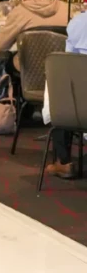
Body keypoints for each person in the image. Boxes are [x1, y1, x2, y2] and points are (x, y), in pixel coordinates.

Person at [0, 0, 67, 70]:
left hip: (29, 67)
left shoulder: (20, 11)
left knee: (6, 60)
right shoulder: (66, 8)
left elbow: (0, 44)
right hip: (59, 66)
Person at [44, 11, 87, 179]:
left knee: (60, 89)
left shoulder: (78, 22)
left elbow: (68, 60)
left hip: (76, 100)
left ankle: (64, 161)